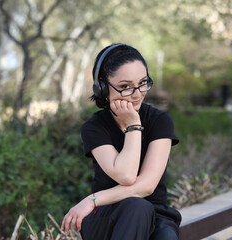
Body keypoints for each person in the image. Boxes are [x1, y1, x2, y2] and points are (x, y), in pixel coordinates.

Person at [61, 43, 181, 240]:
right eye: (125, 86)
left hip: (156, 216)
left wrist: (92, 200)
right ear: (101, 88)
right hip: (107, 217)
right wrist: (133, 126)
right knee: (137, 207)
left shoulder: (159, 121)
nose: (137, 93)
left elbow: (147, 186)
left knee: (154, 223)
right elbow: (126, 175)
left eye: (143, 83)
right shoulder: (95, 127)